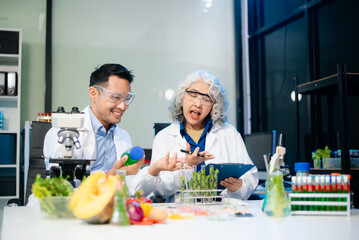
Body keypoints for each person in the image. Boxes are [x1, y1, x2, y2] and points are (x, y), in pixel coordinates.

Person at [43, 63, 181, 196]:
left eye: (127, 99)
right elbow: (62, 189)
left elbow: (131, 189)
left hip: (111, 209)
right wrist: (111, 175)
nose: (122, 106)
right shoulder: (65, 133)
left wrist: (154, 170)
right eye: (115, 97)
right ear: (93, 93)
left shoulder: (123, 136)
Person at [148, 70, 258, 200]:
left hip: (221, 211)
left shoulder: (229, 133)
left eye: (206, 99)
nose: (198, 104)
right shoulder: (164, 137)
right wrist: (187, 167)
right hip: (182, 212)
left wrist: (239, 187)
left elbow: (251, 176)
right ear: (181, 98)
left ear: (214, 106)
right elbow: (158, 189)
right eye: (193, 95)